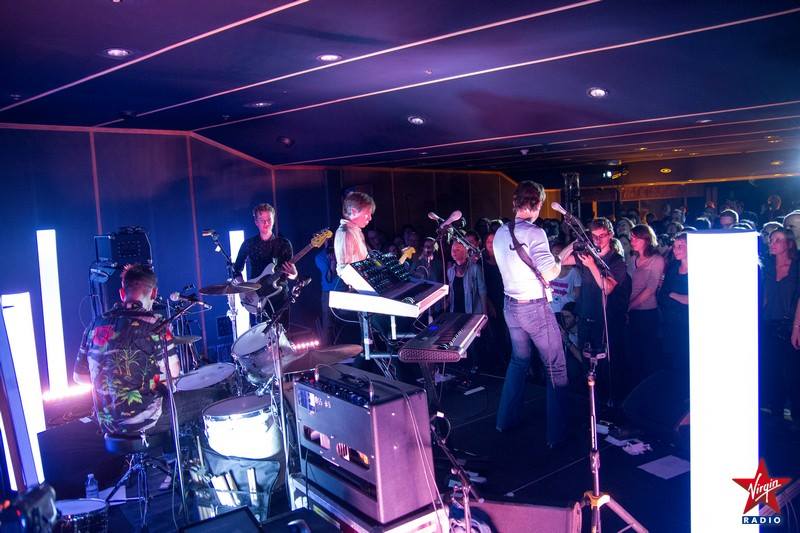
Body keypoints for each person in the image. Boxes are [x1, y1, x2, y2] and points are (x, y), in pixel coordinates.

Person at [73, 264, 193, 435]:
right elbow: (173, 375)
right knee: (210, 397)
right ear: (154, 293)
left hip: (106, 423)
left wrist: (111, 383)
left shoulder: (95, 325)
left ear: (122, 293)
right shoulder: (156, 325)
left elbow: (79, 377)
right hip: (146, 420)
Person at [493, 181, 567, 447]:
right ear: (539, 203)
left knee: (519, 361)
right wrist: (559, 261)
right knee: (556, 366)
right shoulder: (535, 233)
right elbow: (549, 271)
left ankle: (504, 421)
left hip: (510, 306)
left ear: (515, 203)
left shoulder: (501, 232)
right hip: (534, 307)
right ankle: (557, 436)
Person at [559, 218, 631, 405]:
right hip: (585, 316)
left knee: (605, 365)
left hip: (605, 320)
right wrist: (575, 243)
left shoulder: (616, 261)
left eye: (602, 236)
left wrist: (592, 265)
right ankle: (591, 402)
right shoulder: (587, 255)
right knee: (586, 363)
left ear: (610, 235)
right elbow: (560, 260)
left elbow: (607, 288)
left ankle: (608, 402)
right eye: (594, 236)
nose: (597, 240)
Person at [760, 228, 800, 425]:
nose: (772, 243)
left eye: (778, 240)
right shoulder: (765, 266)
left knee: (791, 372)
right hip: (768, 323)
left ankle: (795, 415)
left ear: (788, 243)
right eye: (771, 239)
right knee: (771, 368)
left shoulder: (796, 268)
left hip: (790, 324)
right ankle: (775, 412)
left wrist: (797, 327)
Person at [233, 203, 297, 321]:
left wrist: (294, 274)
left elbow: (291, 275)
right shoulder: (249, 244)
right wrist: (245, 289)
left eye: (269, 219)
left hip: (280, 297)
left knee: (282, 332)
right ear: (256, 222)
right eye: (262, 220)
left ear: (273, 220)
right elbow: (236, 269)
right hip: (257, 297)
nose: (266, 223)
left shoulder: (284, 244)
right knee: (260, 332)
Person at [627, 224, 665, 385]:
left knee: (648, 354)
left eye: (636, 238)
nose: (632, 241)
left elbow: (650, 289)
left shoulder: (657, 260)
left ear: (647, 239)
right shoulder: (632, 259)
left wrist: (628, 307)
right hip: (632, 312)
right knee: (633, 353)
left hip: (647, 313)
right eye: (631, 238)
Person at [658, 232, 689, 373]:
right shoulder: (673, 268)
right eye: (675, 246)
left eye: (680, 246)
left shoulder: (699, 271)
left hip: (688, 324)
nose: (676, 250)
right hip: (670, 323)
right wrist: (676, 297)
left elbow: (693, 300)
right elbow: (662, 295)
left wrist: (672, 294)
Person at [334, 191, 375, 274]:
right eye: (367, 213)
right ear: (353, 211)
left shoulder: (356, 231)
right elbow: (343, 270)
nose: (370, 218)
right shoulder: (345, 233)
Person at [315, 244, 339, 345]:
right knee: (328, 325)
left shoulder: (342, 251)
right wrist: (333, 262)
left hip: (344, 291)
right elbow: (329, 278)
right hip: (328, 293)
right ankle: (327, 348)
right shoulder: (320, 257)